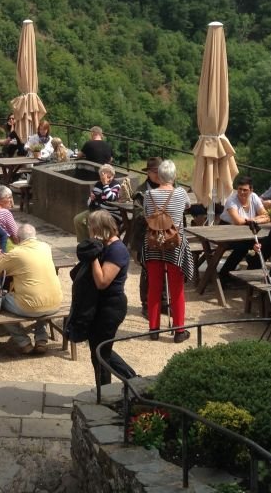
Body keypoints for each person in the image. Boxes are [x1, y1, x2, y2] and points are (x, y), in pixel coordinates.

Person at [0, 223, 63, 355]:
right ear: (35, 235)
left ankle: (24, 342)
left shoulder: (16, 253)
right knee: (40, 297)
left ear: (17, 238)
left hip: (30, 306)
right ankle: (41, 339)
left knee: (0, 302)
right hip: (55, 303)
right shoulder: (46, 247)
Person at [143, 159, 195, 342]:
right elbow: (188, 206)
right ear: (174, 176)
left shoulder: (148, 194)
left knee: (154, 287)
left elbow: (146, 214)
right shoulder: (180, 193)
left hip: (153, 243)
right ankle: (179, 330)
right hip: (175, 244)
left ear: (158, 175)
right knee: (177, 288)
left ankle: (153, 329)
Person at [81, 210, 135, 386]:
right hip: (100, 305)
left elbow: (102, 282)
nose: (88, 230)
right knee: (100, 350)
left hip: (111, 307)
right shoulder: (103, 245)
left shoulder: (117, 250)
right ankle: (132, 380)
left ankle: (106, 392)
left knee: (101, 354)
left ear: (98, 228)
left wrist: (93, 256)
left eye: (90, 226)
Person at [217, 175, 271, 284]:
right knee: (242, 247)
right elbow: (237, 221)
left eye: (245, 190)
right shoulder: (231, 200)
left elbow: (266, 216)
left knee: (266, 243)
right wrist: (256, 219)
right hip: (227, 230)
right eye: (240, 189)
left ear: (251, 190)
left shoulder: (254, 197)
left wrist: (253, 220)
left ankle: (253, 267)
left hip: (247, 231)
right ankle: (223, 276)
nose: (242, 192)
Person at [128, 157, 162, 317]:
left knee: (164, 269)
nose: (158, 174)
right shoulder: (141, 192)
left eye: (160, 171)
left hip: (165, 236)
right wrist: (157, 217)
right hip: (145, 237)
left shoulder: (169, 187)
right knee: (148, 272)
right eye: (155, 171)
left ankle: (163, 302)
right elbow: (138, 215)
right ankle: (147, 304)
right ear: (148, 172)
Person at [73, 163, 121, 242]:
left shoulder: (115, 185)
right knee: (78, 219)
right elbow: (89, 204)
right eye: (104, 177)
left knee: (93, 222)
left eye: (109, 177)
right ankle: (85, 242)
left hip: (110, 213)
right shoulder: (98, 184)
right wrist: (91, 199)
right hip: (97, 210)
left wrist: (105, 184)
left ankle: (95, 242)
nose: (107, 179)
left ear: (113, 176)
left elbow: (111, 197)